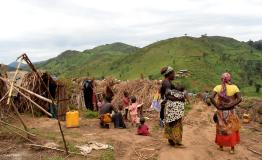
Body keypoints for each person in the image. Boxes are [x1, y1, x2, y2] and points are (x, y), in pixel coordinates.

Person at [210, 72, 242, 154]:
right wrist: (231, 105)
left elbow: (211, 97)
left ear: (221, 79)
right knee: (231, 128)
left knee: (221, 128)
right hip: (231, 111)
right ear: (230, 79)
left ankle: (221, 147)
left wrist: (217, 106)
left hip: (221, 112)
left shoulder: (218, 87)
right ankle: (232, 149)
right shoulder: (234, 87)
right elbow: (239, 99)